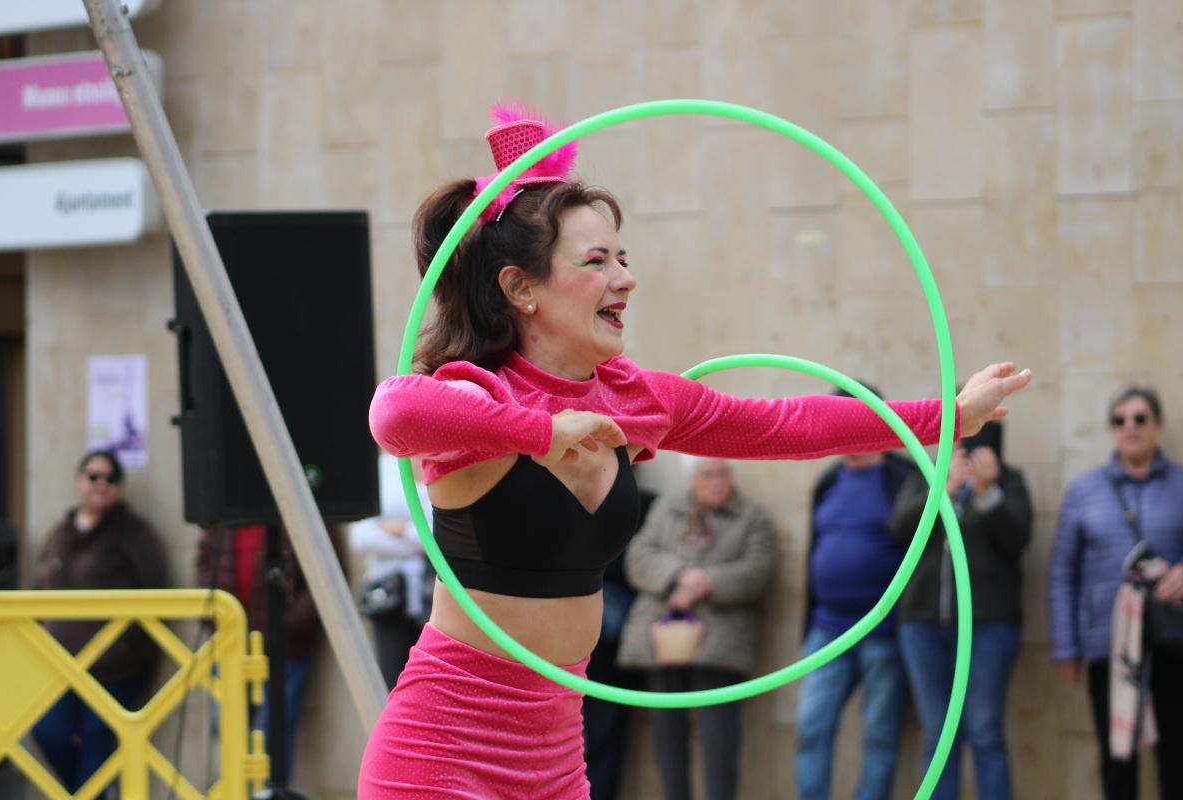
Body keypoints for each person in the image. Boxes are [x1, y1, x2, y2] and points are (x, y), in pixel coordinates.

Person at [356, 101, 1032, 798]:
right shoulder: (478, 396)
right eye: (597, 261)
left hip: (555, 759)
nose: (627, 278)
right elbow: (395, 412)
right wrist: (540, 430)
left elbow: (789, 424)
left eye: (624, 257)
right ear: (520, 288)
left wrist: (947, 416)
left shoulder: (634, 399)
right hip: (442, 755)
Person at [1049, 386, 1183, 800]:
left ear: (1157, 424)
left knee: (1177, 754)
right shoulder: (1085, 490)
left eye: (1140, 418)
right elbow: (1062, 572)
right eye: (1120, 419)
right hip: (1109, 645)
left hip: (1173, 642)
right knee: (1117, 756)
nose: (1131, 427)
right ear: (1111, 429)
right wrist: (1067, 648)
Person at [616, 457, 776, 800]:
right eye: (707, 475)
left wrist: (707, 582)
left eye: (722, 474)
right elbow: (639, 557)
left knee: (720, 738)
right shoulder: (667, 509)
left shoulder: (753, 517)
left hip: (719, 640)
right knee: (667, 736)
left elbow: (757, 571)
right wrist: (680, 575)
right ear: (693, 479)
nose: (716, 482)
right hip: (663, 639)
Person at [889, 422, 1032, 800]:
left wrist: (988, 493)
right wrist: (943, 490)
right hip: (922, 625)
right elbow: (900, 527)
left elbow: (1018, 539)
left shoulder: (1010, 481)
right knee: (937, 734)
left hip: (987, 626)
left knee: (985, 730)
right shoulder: (927, 476)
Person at [794, 385, 915, 800]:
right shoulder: (828, 480)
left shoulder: (904, 475)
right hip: (827, 630)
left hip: (885, 632)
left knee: (880, 736)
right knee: (811, 728)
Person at [31, 449, 168, 794]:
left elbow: (156, 587)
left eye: (111, 478)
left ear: (120, 487)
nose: (101, 484)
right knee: (48, 732)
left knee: (97, 739)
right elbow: (38, 586)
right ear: (79, 481)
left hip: (114, 665)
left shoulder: (133, 531)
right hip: (61, 666)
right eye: (94, 476)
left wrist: (125, 643)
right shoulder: (61, 531)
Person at [194, 521, 346, 783]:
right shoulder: (226, 507)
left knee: (275, 733)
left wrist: (287, 624)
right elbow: (204, 564)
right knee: (229, 733)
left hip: (285, 649)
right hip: (232, 645)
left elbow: (328, 576)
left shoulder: (297, 500)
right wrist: (215, 616)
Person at [581, 474, 654, 800]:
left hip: (610, 644)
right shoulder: (565, 496)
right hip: (562, 645)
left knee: (602, 735)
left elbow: (636, 567)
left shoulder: (645, 503)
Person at [348, 452, 434, 689]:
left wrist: (399, 530)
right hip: (388, 597)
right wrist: (418, 540)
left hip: (434, 596)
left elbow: (442, 536)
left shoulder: (439, 461)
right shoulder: (380, 469)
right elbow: (361, 537)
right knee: (392, 681)